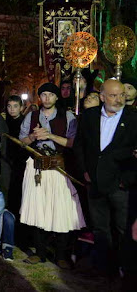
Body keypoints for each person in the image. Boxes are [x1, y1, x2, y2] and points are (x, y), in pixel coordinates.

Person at [74, 79, 137, 277]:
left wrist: (126, 180)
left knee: (123, 229)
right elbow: (79, 145)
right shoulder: (89, 116)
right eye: (113, 95)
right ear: (102, 97)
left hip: (120, 185)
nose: (119, 99)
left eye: (121, 95)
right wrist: (84, 171)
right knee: (100, 228)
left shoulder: (133, 118)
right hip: (94, 183)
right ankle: (104, 269)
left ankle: (126, 270)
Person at [18, 82, 84, 268]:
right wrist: (33, 137)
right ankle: (39, 253)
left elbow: (73, 143)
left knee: (61, 210)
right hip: (37, 168)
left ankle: (61, 255)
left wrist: (50, 136)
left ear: (56, 97)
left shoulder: (68, 116)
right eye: (43, 95)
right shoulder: (32, 116)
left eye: (51, 95)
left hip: (59, 168)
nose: (47, 98)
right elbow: (22, 141)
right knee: (37, 209)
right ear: (40, 97)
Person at [3, 95, 25, 217]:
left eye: (15, 106)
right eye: (9, 106)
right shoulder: (5, 122)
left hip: (20, 161)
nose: (12, 109)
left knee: (17, 188)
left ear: (21, 108)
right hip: (7, 159)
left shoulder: (24, 122)